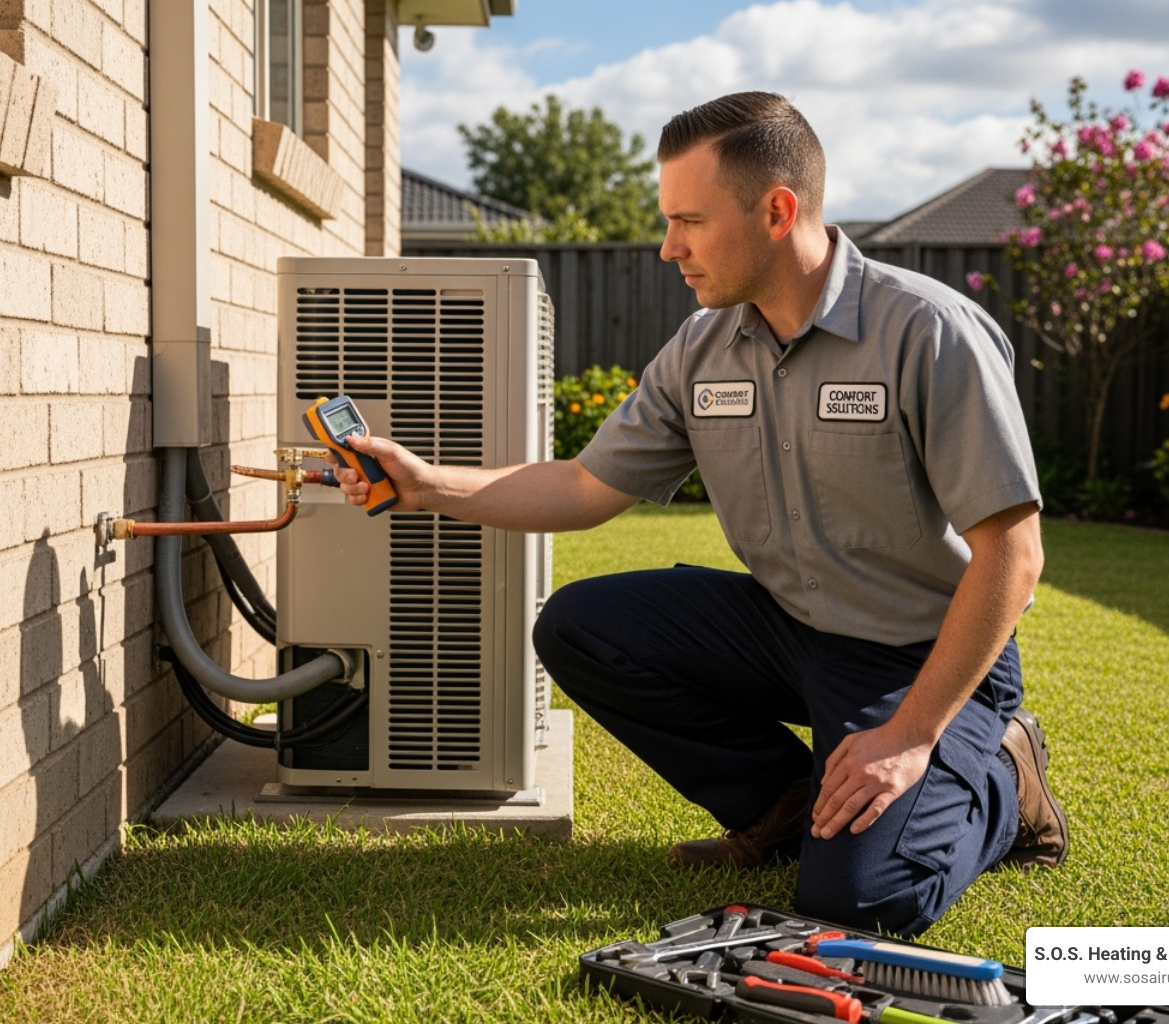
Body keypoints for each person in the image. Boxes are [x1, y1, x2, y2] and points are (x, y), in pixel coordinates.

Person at [334, 91, 1067, 937]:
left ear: (776, 211)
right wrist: (427, 485)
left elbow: (1012, 556)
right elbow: (583, 487)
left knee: (861, 901)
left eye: (688, 220)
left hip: (917, 656)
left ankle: (1010, 781)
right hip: (788, 628)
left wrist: (909, 734)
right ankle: (783, 801)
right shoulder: (701, 348)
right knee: (581, 624)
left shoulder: (928, 333)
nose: (667, 246)